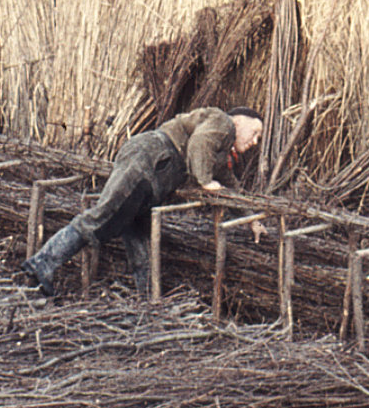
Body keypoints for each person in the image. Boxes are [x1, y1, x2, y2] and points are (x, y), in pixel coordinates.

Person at [21, 106, 265, 295]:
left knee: (138, 235)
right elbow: (199, 144)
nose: (254, 142)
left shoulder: (221, 150)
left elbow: (231, 187)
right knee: (103, 216)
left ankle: (146, 300)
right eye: (255, 133)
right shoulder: (223, 123)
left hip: (153, 176)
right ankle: (42, 264)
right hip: (147, 161)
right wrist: (204, 180)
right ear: (238, 122)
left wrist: (251, 219)